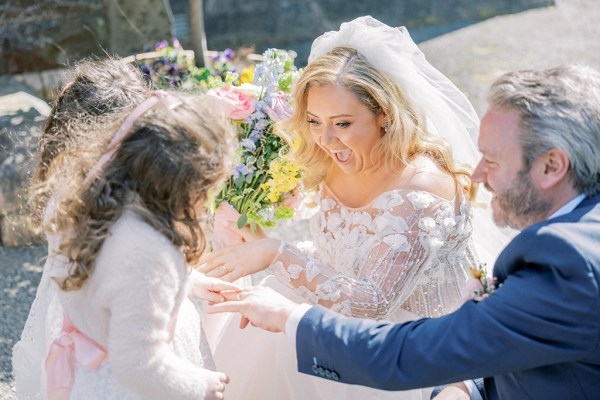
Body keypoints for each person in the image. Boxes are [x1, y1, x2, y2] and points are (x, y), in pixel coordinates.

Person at [209, 63, 600, 400]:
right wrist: (467, 388)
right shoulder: (577, 235)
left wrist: (290, 318)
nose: (476, 175)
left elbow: (416, 350)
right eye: (314, 122)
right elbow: (497, 340)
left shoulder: (564, 262)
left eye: (492, 160)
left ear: (551, 166)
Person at [200, 16, 507, 400]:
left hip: (407, 348)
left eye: (342, 123)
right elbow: (344, 258)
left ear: (384, 115)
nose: (326, 139)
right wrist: (264, 245)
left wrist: (277, 254)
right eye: (314, 121)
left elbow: (374, 302)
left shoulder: (419, 191)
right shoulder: (338, 161)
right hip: (342, 322)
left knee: (280, 313)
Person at [13, 85, 240, 399]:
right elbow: (138, 365)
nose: (207, 201)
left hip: (88, 379)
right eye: (206, 188)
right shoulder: (150, 252)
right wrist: (200, 385)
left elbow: (116, 282)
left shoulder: (86, 206)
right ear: (180, 181)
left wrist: (190, 283)